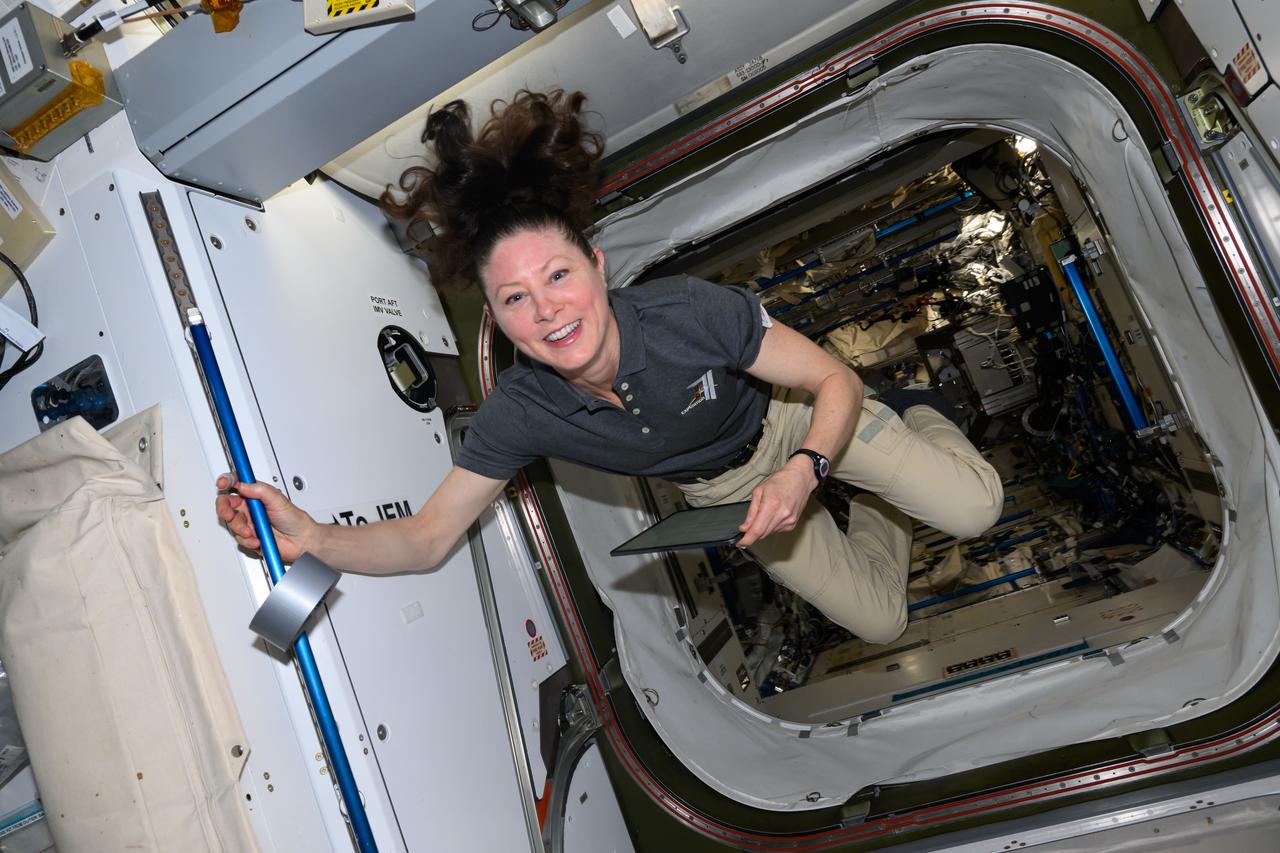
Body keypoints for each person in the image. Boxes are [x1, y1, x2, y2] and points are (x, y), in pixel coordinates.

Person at [216, 90, 1003, 645]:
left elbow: (833, 379)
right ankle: (888, 501)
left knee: (973, 512)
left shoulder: (691, 311)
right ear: (497, 317)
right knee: (882, 620)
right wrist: (313, 536)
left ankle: (920, 415)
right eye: (516, 297)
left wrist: (805, 469)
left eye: (558, 277)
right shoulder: (521, 410)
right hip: (726, 492)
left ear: (596, 267)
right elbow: (427, 537)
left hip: (800, 423)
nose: (549, 311)